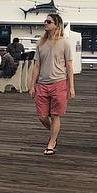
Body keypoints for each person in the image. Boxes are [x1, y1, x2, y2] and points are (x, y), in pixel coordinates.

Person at [33, 12, 75, 155]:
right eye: (45, 21)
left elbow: (69, 66)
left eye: (49, 22)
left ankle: (52, 142)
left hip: (59, 82)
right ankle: (54, 132)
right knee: (42, 116)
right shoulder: (41, 43)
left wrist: (72, 88)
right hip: (42, 84)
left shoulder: (64, 43)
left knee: (56, 114)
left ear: (56, 25)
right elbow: (36, 65)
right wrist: (32, 85)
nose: (45, 23)